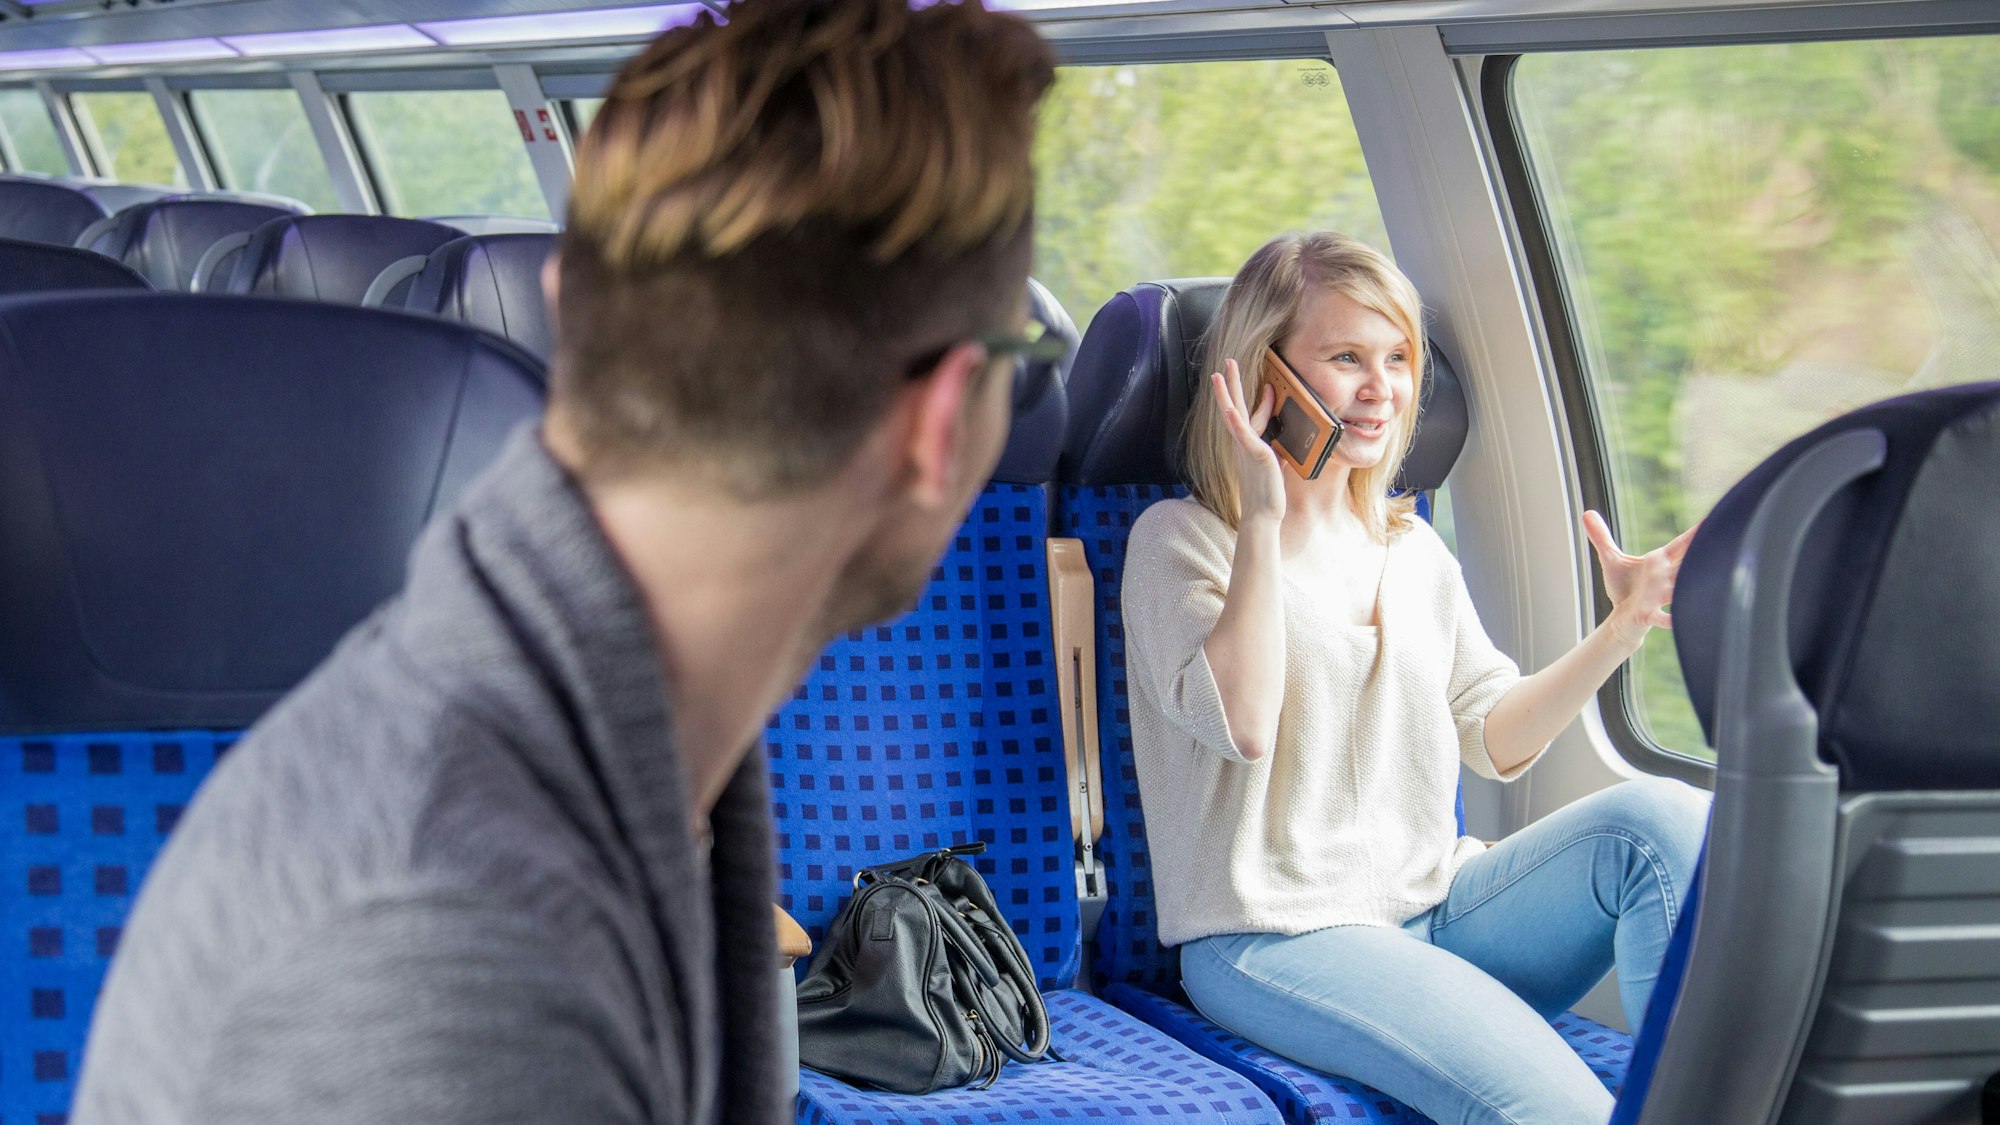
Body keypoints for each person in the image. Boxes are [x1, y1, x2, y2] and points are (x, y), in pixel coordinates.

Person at [71, 2, 1054, 1122]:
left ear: (567, 310)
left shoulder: (598, 740)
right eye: (1023, 360)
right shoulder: (458, 978)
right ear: (935, 424)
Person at [1120, 231, 1710, 1125]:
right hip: (1277, 935)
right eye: (1346, 358)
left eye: (1397, 358)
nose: (1381, 388)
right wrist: (1263, 522)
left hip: (1437, 907)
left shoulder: (1413, 548)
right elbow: (1242, 722)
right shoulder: (1180, 542)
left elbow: (1495, 732)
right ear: (1265, 373)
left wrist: (1620, 630)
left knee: (1663, 820)